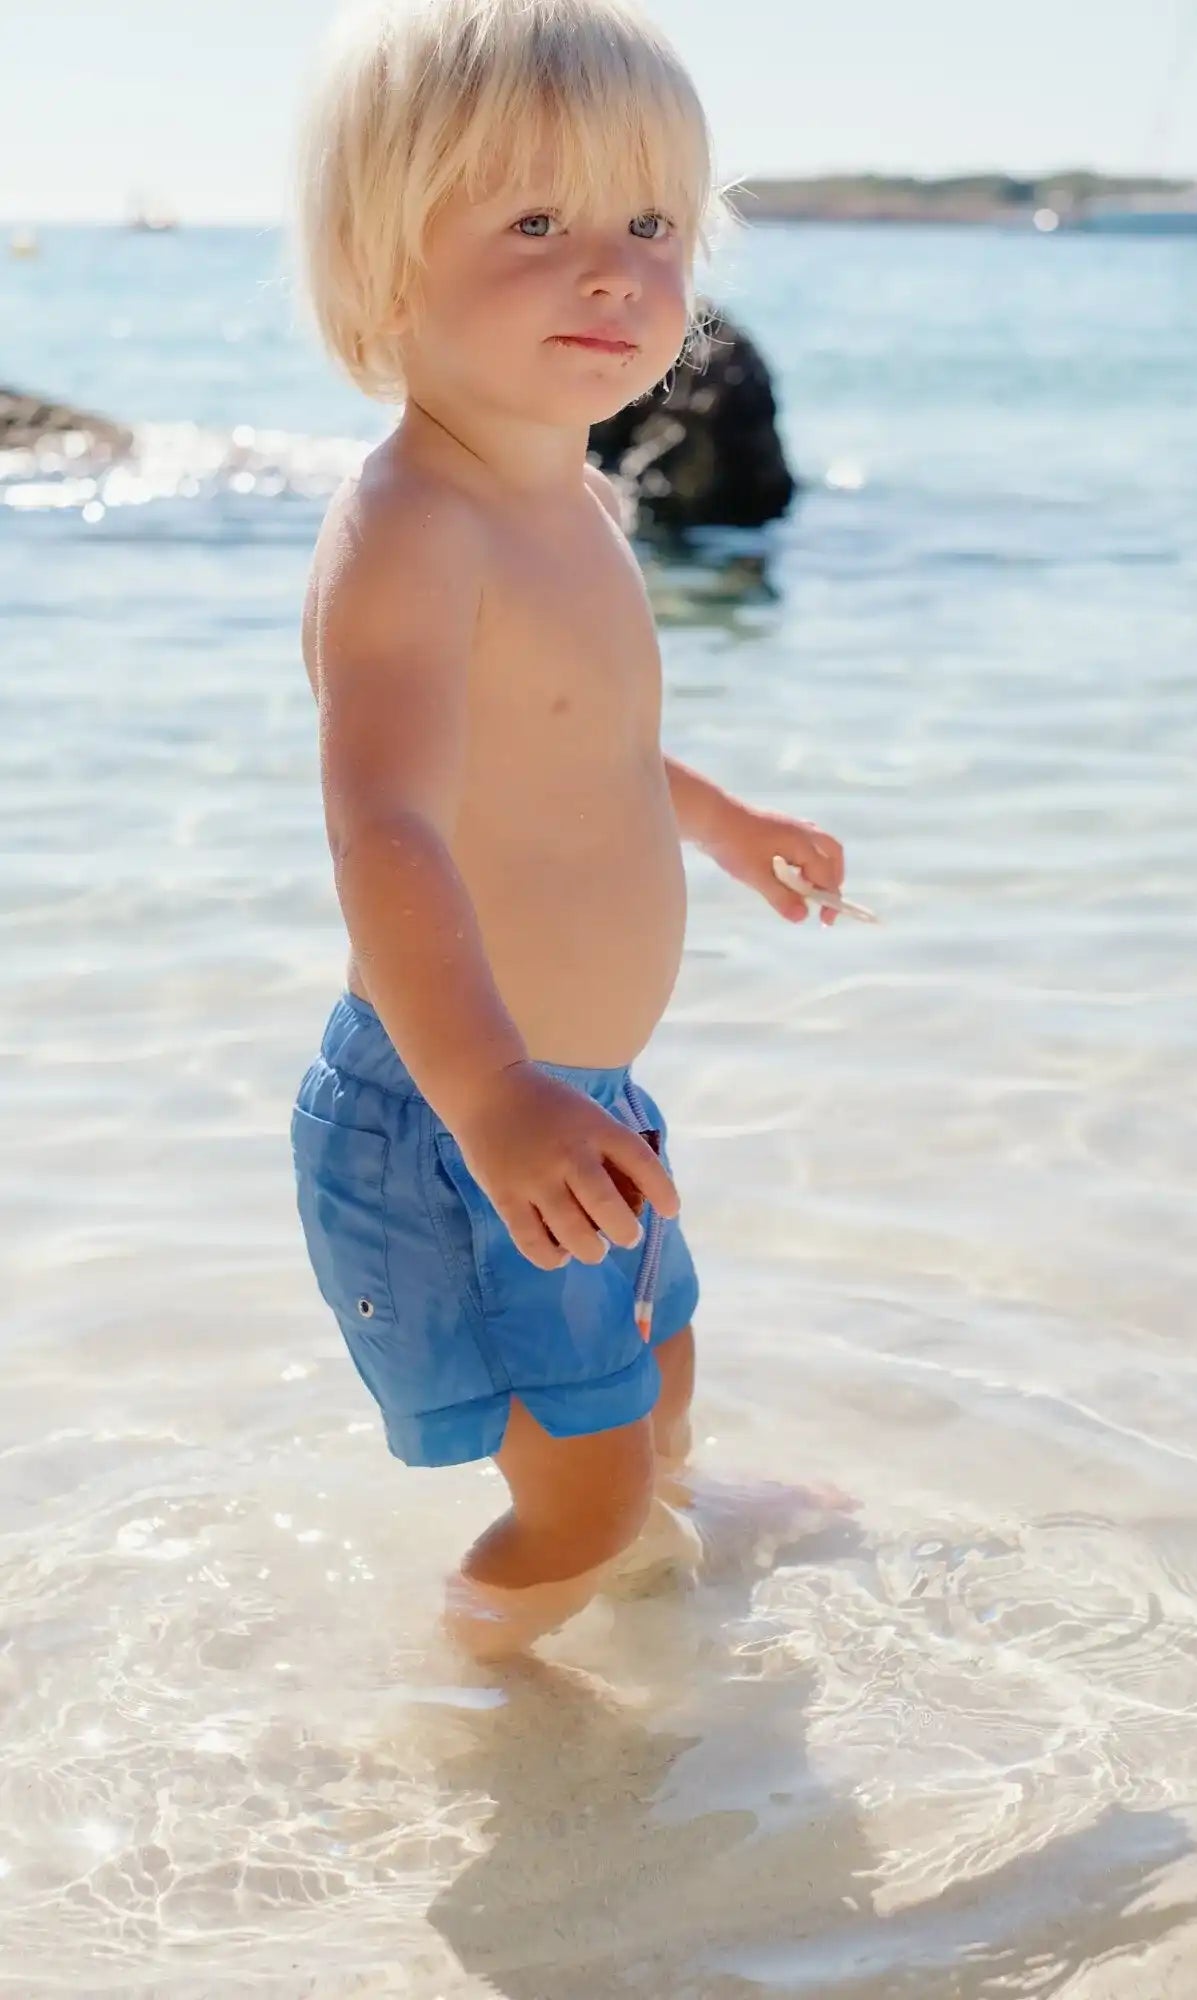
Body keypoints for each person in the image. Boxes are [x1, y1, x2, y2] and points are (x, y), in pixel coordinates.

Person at [290, 0, 850, 1660]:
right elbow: (383, 827)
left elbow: (572, 753)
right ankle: (477, 1679)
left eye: (649, 225)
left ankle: (667, 1539)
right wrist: (491, 1099)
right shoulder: (414, 528)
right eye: (536, 224)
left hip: (570, 1088)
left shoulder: (566, 494)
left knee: (660, 1362)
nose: (612, 271)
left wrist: (718, 820)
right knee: (575, 1486)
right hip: (462, 1100)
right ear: (389, 274)